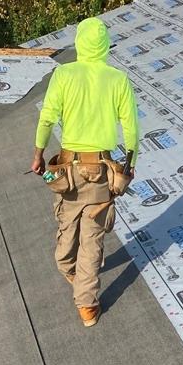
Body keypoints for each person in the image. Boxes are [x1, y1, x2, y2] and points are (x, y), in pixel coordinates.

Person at [31, 17, 139, 327]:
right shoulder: (118, 79)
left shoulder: (63, 74)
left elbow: (47, 118)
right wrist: (129, 167)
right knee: (92, 237)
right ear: (105, 45)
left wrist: (38, 155)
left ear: (79, 44)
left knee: (68, 224)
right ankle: (87, 305)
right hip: (102, 170)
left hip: (68, 170)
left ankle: (71, 273)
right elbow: (132, 129)